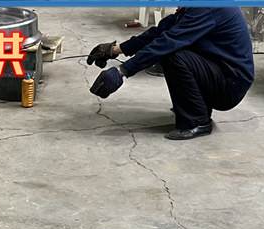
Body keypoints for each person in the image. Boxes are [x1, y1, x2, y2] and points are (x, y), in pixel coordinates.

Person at [87, 7, 254, 140]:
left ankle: (197, 121)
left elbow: (168, 42)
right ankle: (196, 107)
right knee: (171, 48)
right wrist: (115, 50)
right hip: (219, 73)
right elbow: (162, 30)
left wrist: (122, 71)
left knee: (173, 55)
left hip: (230, 85)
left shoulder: (207, 7)